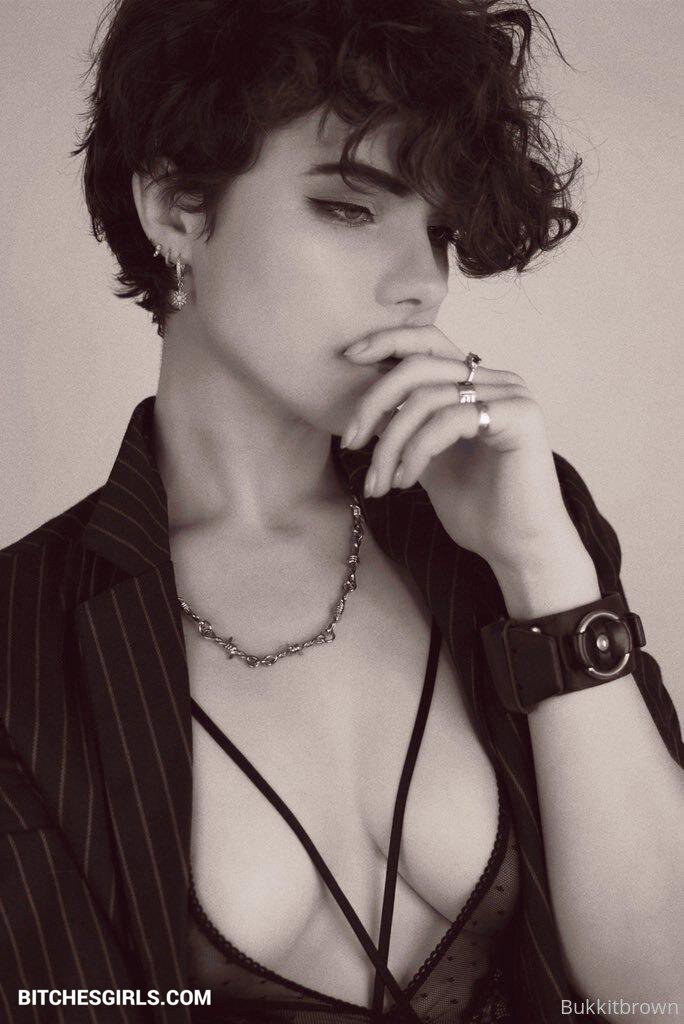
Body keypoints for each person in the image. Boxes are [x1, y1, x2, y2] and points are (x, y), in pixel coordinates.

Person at [1, 1, 682, 1023]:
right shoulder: (22, 638)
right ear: (176, 208)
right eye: (349, 208)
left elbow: (661, 994)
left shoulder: (518, 525)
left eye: (439, 232)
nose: (419, 285)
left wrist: (544, 571)